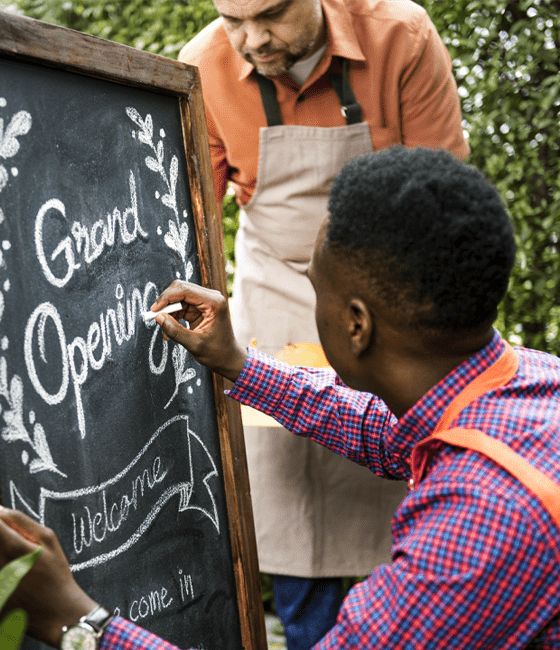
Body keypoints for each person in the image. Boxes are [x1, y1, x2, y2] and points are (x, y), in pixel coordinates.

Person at [0, 146, 560, 648]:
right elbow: (385, 430)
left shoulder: (483, 523)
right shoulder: (543, 383)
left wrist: (73, 620)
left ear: (354, 324)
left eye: (314, 289)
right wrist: (239, 363)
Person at [178, 1, 469, 643]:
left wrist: (410, 322)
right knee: (293, 508)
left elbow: (444, 194)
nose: (251, 39)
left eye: (272, 14)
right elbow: (190, 217)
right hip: (277, 294)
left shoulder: (400, 36)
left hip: (387, 296)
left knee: (401, 486)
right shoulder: (201, 66)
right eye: (232, 19)